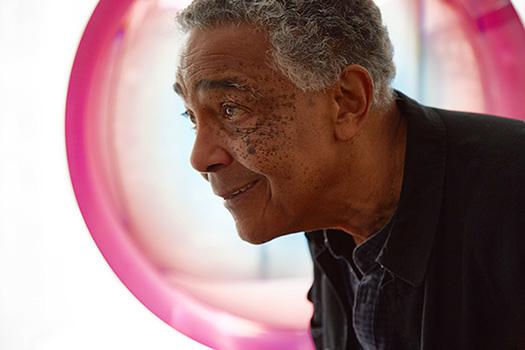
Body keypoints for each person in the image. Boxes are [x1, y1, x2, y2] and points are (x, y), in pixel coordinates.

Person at [173, 0, 525, 349]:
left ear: (347, 101)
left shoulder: (512, 198)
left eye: (232, 110)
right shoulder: (325, 212)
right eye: (191, 118)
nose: (200, 158)